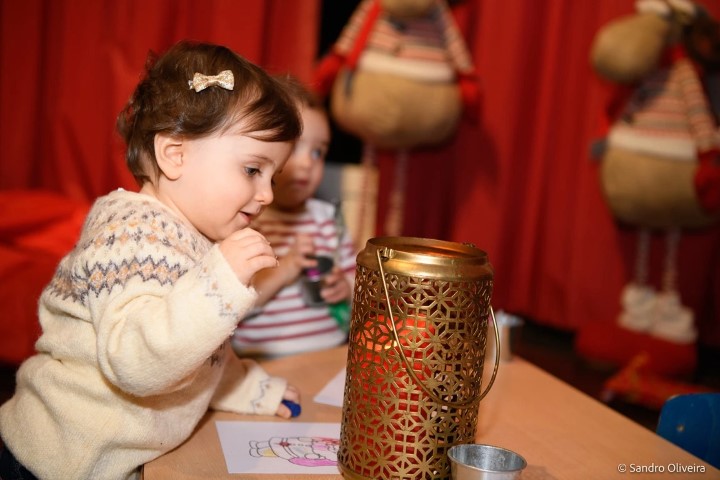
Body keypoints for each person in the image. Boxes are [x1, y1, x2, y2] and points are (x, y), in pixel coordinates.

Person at [0, 40, 302, 480]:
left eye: (274, 176)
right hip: (55, 460)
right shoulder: (132, 233)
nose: (268, 194)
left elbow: (201, 349)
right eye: (253, 170)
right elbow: (136, 362)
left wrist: (251, 390)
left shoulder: (193, 235)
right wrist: (220, 280)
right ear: (174, 155)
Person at [231, 77, 356, 358]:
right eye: (295, 147)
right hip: (261, 359)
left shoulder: (328, 219)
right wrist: (285, 270)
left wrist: (346, 286)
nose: (309, 163)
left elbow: (357, 276)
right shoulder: (246, 221)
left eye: (318, 152)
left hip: (331, 351)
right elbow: (232, 304)